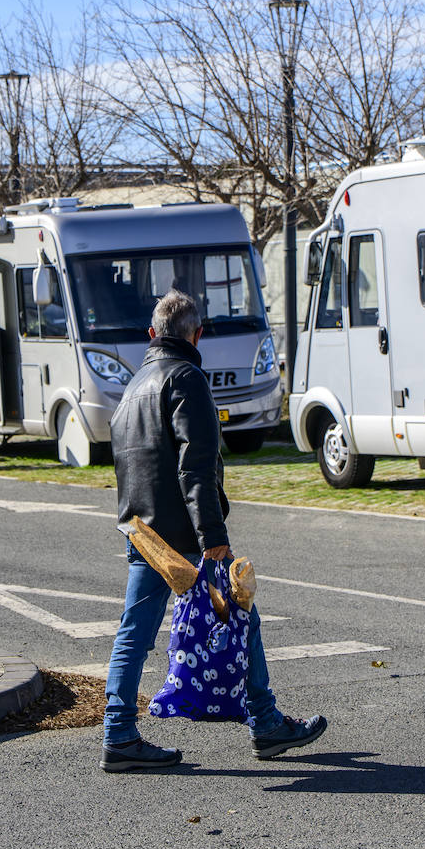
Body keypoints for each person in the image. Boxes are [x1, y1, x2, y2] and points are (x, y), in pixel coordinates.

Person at [101, 290, 328, 772]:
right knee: (241, 619)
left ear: (151, 334)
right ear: (197, 335)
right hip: (186, 536)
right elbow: (197, 467)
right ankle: (265, 723)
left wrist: (135, 525)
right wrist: (214, 538)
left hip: (143, 531)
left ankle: (119, 732)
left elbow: (125, 461)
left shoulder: (135, 383)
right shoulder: (187, 378)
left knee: (135, 633)